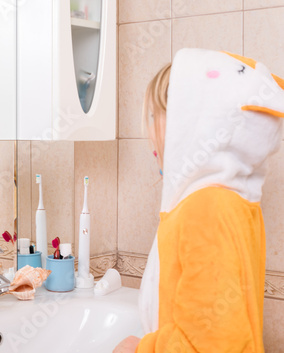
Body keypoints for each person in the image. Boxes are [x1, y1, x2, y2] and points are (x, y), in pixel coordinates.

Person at [114, 48, 284, 352]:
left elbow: (212, 343)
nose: (150, 132)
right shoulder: (233, 202)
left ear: (193, 124)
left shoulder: (206, 209)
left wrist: (138, 349)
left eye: (157, 116)